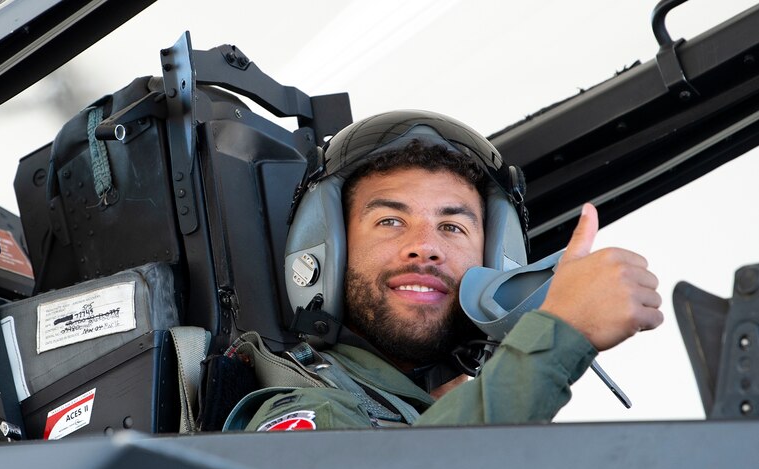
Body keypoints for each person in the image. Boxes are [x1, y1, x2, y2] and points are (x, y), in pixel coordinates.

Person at [224, 110, 663, 431]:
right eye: (390, 221)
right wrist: (562, 331)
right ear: (327, 251)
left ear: (494, 261)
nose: (425, 248)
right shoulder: (306, 411)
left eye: (452, 227)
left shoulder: (458, 416)